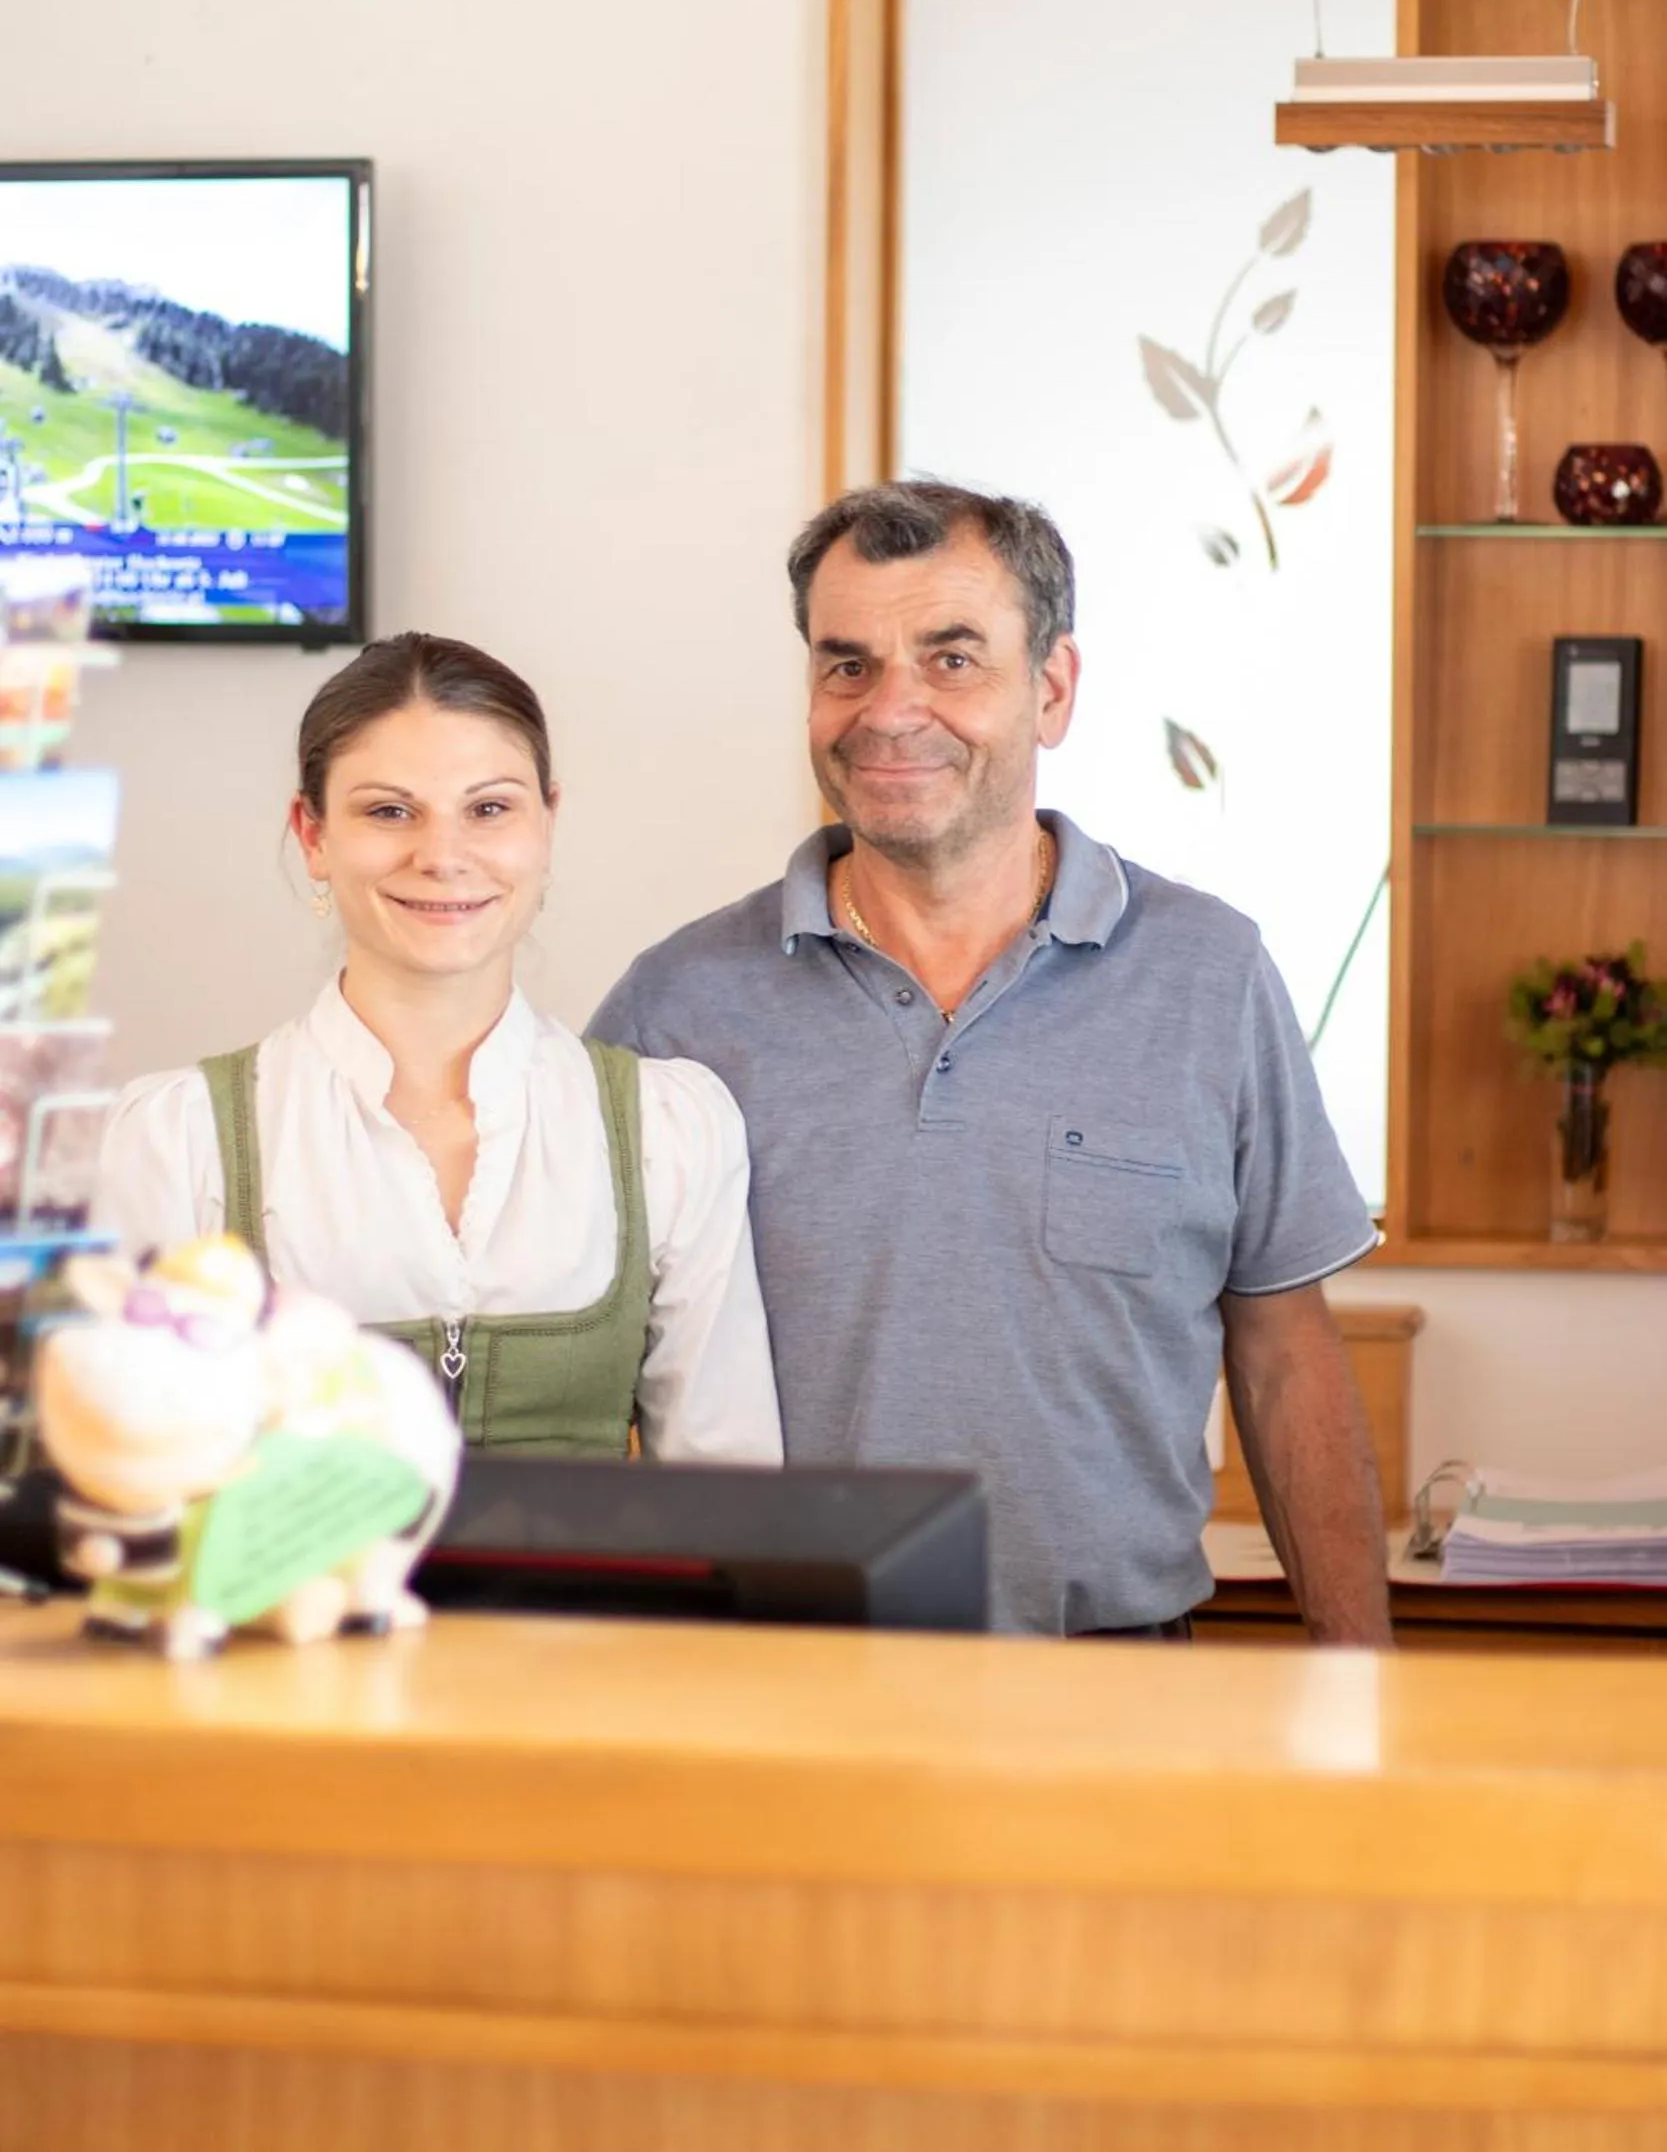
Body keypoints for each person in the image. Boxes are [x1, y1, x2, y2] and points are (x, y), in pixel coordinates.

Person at [591, 482, 1388, 1637]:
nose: (889, 709)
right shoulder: (676, 1004)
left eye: (951, 658)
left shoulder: (1208, 978)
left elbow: (1282, 1355)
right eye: (846, 664)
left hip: (1111, 1706)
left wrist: (1361, 1686)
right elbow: (580, 1366)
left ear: (1051, 689)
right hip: (773, 1703)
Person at [96, 633, 782, 1466]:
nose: (442, 855)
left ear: (546, 823)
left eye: (489, 808)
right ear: (312, 835)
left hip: (584, 1604)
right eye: (389, 811)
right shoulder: (177, 1142)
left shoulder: (671, 1130)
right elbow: (120, 1494)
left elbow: (725, 1492)